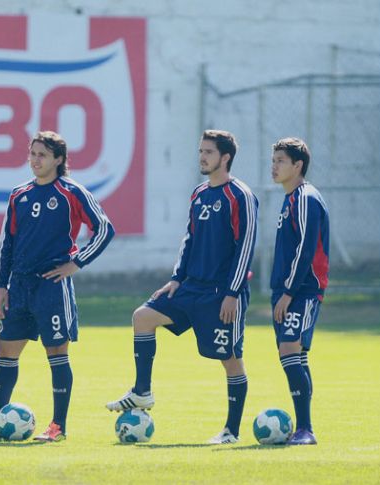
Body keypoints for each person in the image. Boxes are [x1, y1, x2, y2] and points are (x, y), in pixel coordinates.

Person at [0, 131, 115, 442]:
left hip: (52, 286)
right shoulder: (19, 195)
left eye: (42, 154)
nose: (35, 160)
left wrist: (76, 262)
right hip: (19, 286)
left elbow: (104, 229)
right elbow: (7, 244)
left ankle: (58, 427)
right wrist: (1, 285)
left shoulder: (72, 192)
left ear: (58, 159)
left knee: (55, 351)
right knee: (5, 350)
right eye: (32, 153)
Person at [106, 129, 258, 444]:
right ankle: (142, 392)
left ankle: (231, 431)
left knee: (229, 359)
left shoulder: (239, 194)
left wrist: (232, 293)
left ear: (225, 157)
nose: (202, 156)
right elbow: (189, 239)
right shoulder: (199, 193)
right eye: (200, 151)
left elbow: (246, 245)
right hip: (190, 287)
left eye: (208, 152)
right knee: (142, 317)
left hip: (221, 294)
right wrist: (176, 278)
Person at [269, 137, 329, 445]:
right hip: (287, 289)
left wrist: (289, 291)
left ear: (298, 165)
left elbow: (306, 248)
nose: (274, 166)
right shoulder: (290, 198)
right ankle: (302, 428)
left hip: (302, 290)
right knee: (294, 356)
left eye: (280, 160)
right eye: (273, 160)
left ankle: (306, 429)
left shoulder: (306, 197)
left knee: (290, 350)